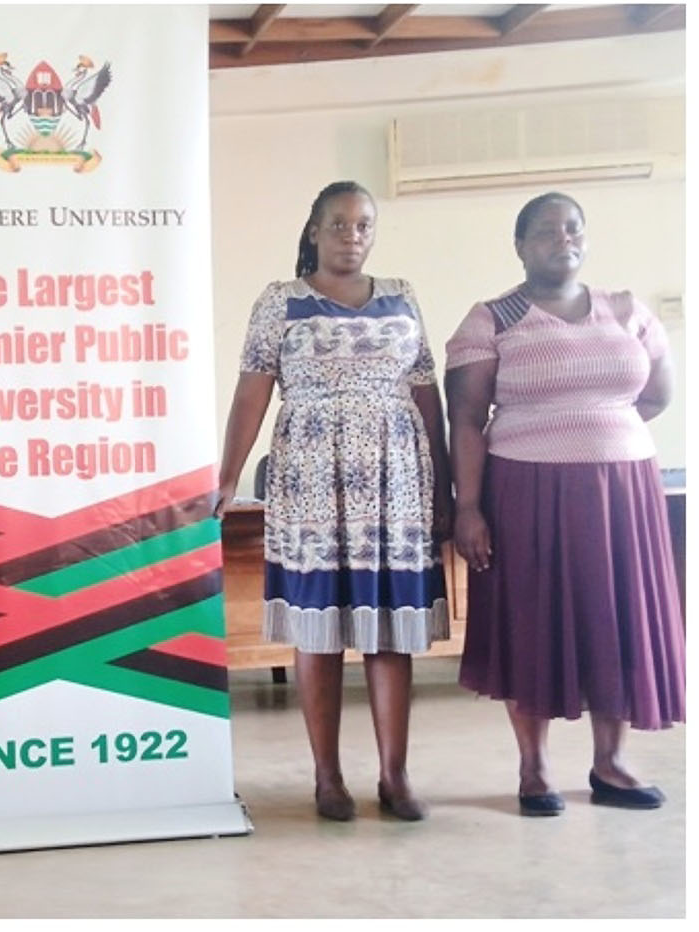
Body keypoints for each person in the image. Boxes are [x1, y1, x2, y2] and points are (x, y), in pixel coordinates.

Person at [216, 180, 451, 822]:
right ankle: (327, 777)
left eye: (365, 224)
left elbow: (427, 393)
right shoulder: (280, 302)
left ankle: (395, 777)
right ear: (315, 231)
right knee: (318, 631)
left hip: (396, 479)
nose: (354, 235)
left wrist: (446, 482)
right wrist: (227, 476)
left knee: (388, 632)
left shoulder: (404, 297)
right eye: (340, 224)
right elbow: (250, 394)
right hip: (311, 481)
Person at [444, 192, 684, 817]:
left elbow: (657, 395)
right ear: (520, 246)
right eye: (546, 231)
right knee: (533, 623)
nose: (562, 239)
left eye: (573, 227)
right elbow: (466, 420)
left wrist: (598, 428)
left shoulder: (628, 310)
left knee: (618, 619)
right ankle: (535, 769)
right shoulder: (492, 318)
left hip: (623, 493)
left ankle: (611, 763)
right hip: (527, 491)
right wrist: (467, 507)